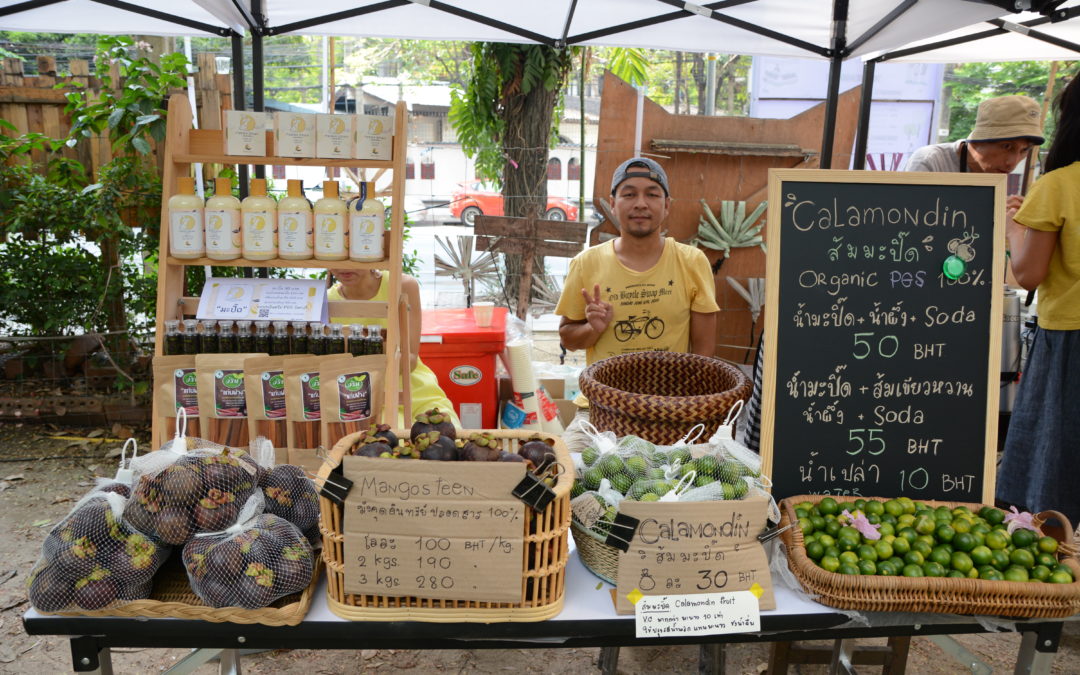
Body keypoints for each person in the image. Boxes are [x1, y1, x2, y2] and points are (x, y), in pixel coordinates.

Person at [555, 157, 719, 442]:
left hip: (670, 411)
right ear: (613, 203)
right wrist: (593, 329)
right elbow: (568, 338)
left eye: (652, 194)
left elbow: (703, 354)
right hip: (599, 410)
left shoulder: (691, 261)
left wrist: (680, 412)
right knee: (566, 475)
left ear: (666, 205)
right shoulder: (586, 263)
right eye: (629, 194)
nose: (640, 203)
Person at [996, 76, 1080, 526]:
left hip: (1069, 337)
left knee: (1055, 463)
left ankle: (1052, 565)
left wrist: (1013, 227)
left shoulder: (1061, 184)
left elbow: (1029, 273)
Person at [328, 268, 459, 427]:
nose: (343, 266)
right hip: (360, 399)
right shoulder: (327, 300)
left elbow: (409, 360)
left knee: (449, 438)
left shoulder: (402, 285)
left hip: (415, 391)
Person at [904, 94, 1045, 175]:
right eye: (1007, 146)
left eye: (1024, 150)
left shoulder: (995, 174)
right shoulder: (931, 161)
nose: (1012, 163)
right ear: (977, 141)